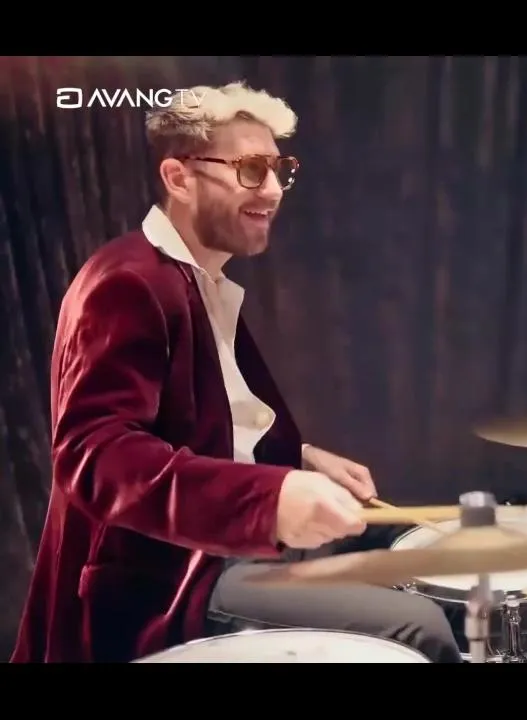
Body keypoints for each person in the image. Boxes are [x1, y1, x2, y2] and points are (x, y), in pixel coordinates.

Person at [10, 82, 461, 664]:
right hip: (168, 578)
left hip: (220, 546)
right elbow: (95, 455)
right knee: (418, 626)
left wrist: (299, 459)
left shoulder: (195, 277)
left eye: (279, 170)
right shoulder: (128, 283)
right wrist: (268, 499)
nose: (271, 190)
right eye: (251, 170)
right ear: (179, 178)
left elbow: (208, 424)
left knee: (411, 554)